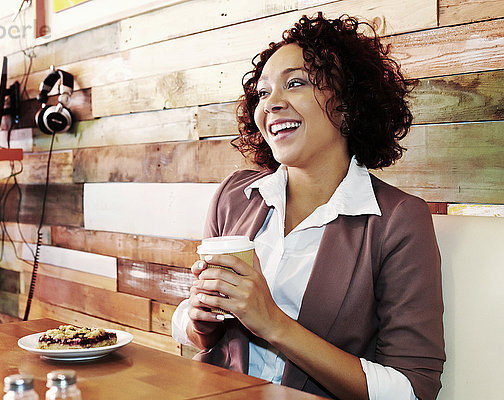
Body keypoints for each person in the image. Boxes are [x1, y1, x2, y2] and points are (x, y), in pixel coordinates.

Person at [171, 13, 445, 400]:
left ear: (347, 105)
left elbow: (413, 389)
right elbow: (191, 329)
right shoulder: (234, 196)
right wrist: (199, 319)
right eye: (263, 93)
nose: (272, 105)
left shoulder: (397, 221)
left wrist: (273, 324)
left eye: (295, 83)